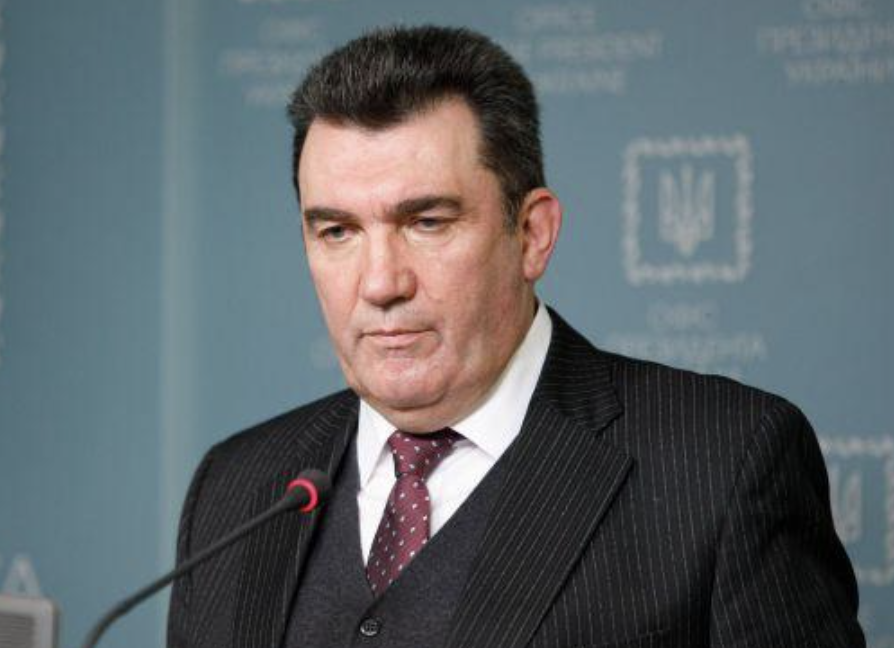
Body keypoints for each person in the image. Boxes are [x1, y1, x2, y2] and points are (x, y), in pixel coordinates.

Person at [167, 25, 864, 648]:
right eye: (337, 231)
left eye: (427, 222)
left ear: (532, 235)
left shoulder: (722, 464)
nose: (380, 282)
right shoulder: (237, 490)